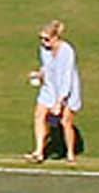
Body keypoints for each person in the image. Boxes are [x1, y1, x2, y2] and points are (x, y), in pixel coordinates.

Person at [29, 22, 84, 162]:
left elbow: (66, 77)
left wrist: (59, 102)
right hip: (49, 88)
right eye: (41, 39)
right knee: (39, 115)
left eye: (46, 39)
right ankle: (38, 152)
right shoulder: (44, 49)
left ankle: (70, 153)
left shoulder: (67, 51)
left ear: (55, 38)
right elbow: (47, 67)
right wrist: (39, 74)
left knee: (65, 122)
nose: (43, 42)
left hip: (67, 90)